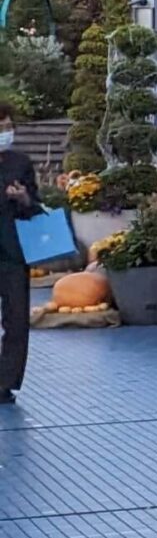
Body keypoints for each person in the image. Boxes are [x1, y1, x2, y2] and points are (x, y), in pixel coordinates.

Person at [0, 100, 36, 407]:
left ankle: (5, 382)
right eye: (1, 128)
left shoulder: (20, 162)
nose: (6, 133)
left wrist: (23, 197)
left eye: (9, 127)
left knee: (16, 318)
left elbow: (33, 207)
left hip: (12, 250)